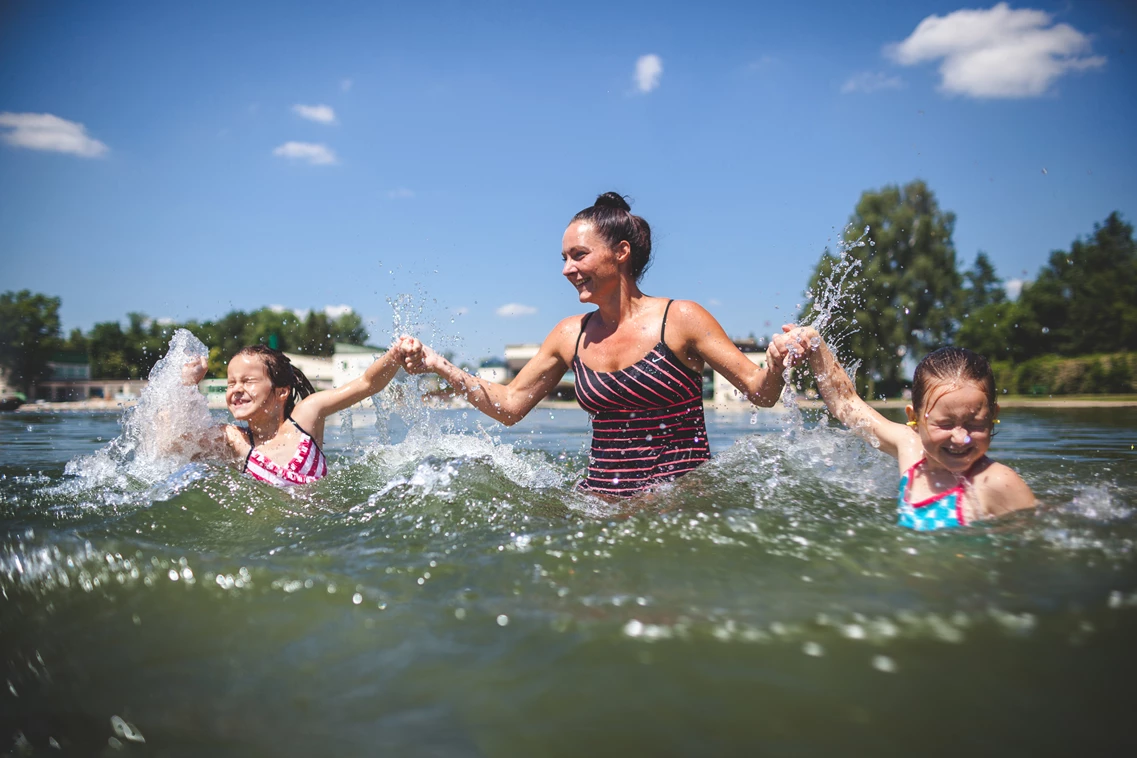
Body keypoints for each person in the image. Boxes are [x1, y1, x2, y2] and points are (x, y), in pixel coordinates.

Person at [400, 191, 806, 497]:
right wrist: (439, 364)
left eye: (578, 255)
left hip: (679, 509)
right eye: (563, 257)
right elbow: (509, 407)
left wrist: (775, 364)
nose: (566, 269)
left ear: (621, 253)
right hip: (598, 507)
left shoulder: (681, 320)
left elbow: (761, 392)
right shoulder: (569, 335)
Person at [789, 328, 1035, 528]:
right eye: (945, 424)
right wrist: (814, 343)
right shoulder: (910, 449)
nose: (961, 438)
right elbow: (847, 404)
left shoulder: (996, 482)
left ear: (993, 416)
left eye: (975, 424)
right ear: (914, 419)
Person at [179, 342, 406, 486]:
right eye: (231, 384)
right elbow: (174, 442)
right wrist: (186, 383)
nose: (236, 390)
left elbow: (366, 383)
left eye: (248, 381)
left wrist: (396, 354)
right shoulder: (234, 441)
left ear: (282, 391)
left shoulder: (305, 418)